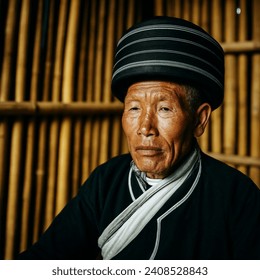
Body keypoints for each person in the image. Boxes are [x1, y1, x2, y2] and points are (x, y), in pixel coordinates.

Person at [18, 16, 260, 260]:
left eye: (164, 109)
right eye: (134, 108)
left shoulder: (237, 198)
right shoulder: (106, 181)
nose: (145, 127)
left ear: (200, 120)